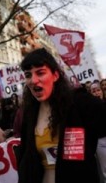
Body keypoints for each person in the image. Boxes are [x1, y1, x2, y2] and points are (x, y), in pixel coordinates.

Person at [17, 48, 106, 183]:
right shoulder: (29, 113)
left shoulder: (79, 103)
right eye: (28, 75)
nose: (33, 80)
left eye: (40, 73)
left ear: (55, 76)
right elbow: (26, 159)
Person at [90, 82, 106, 183]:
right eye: (93, 91)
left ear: (102, 91)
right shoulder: (89, 108)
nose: (96, 92)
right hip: (100, 142)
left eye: (98, 90)